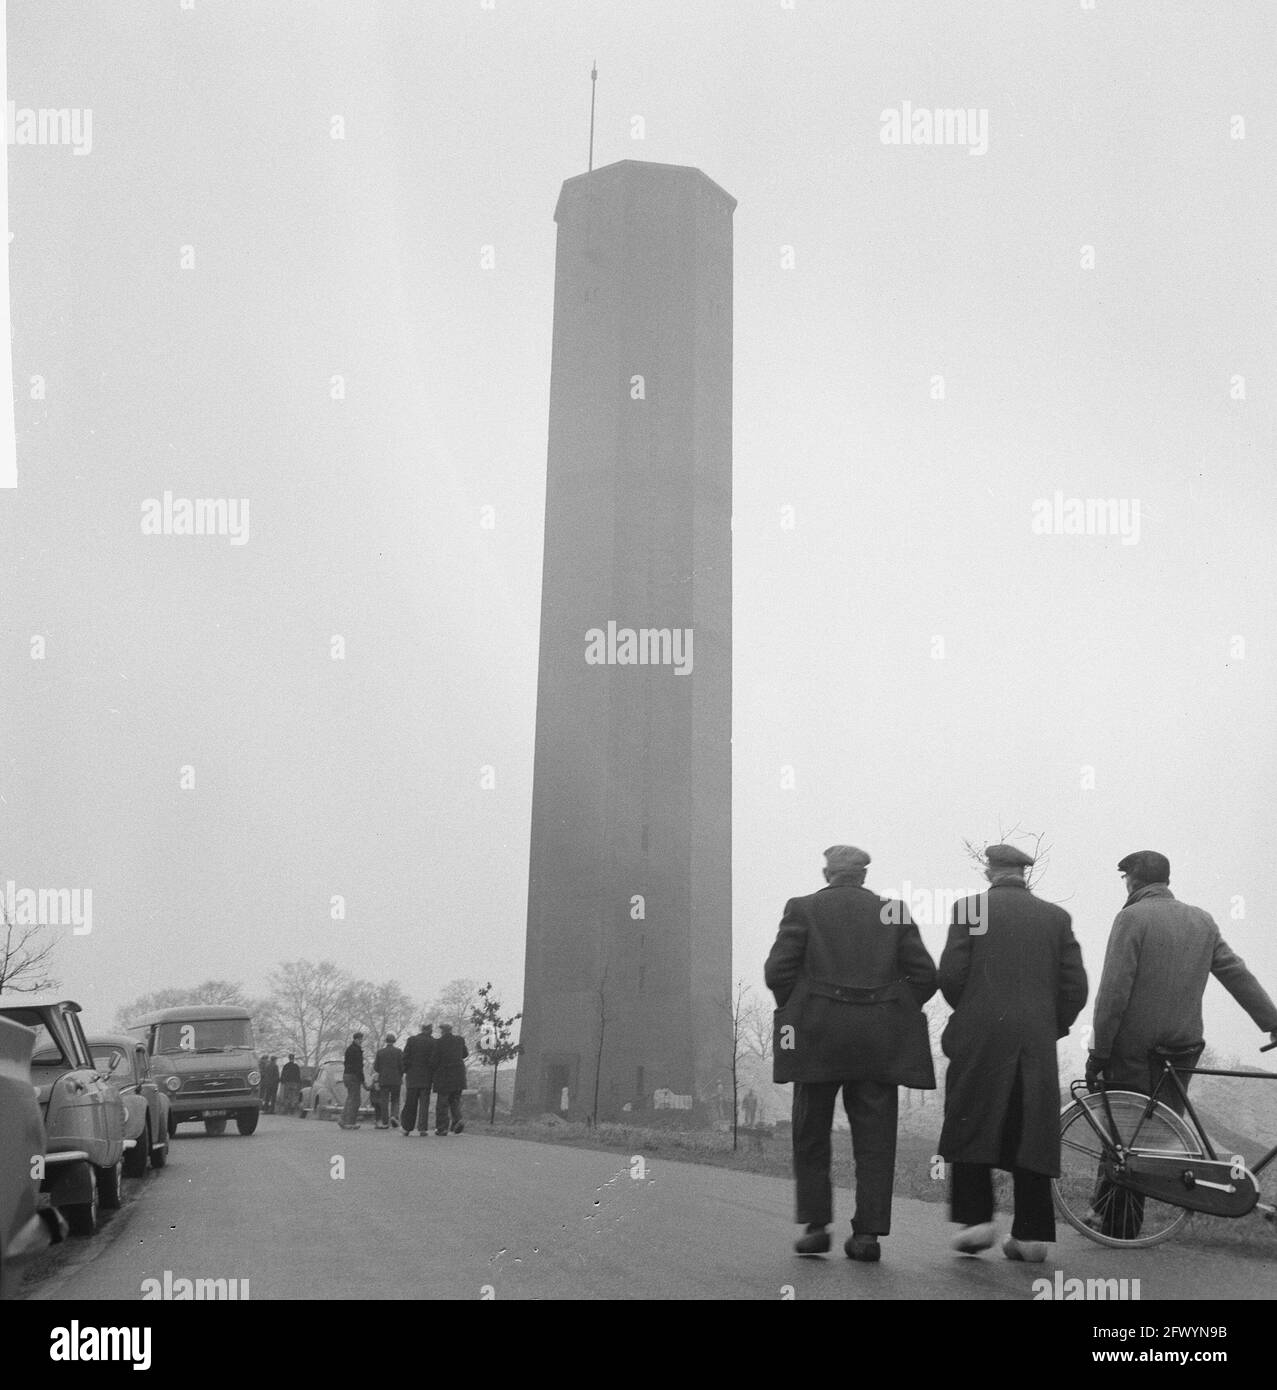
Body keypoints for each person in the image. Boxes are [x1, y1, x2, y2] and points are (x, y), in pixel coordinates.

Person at [1086, 850, 1277, 1236]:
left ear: (1134, 880)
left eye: (1125, 878)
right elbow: (1234, 972)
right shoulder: (1201, 920)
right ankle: (1105, 1213)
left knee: (1126, 1131)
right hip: (1183, 1048)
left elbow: (1113, 993)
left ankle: (1120, 1224)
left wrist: (1099, 1050)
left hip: (1135, 1047)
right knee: (1156, 1130)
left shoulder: (1131, 918)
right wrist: (1272, 1022)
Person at [764, 844, 938, 1262]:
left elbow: (777, 973)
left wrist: (805, 1004)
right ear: (862, 875)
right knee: (876, 1141)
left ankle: (816, 1226)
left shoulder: (802, 908)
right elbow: (926, 977)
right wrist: (889, 1009)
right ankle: (868, 1237)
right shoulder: (893, 910)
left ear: (828, 873)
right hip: (878, 1044)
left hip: (816, 1038)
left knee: (810, 1135)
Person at [938, 844, 1088, 1263]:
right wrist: (1049, 1024)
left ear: (990, 871)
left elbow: (950, 974)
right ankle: (1031, 1235)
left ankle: (976, 1222)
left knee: (973, 1117)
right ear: (1023, 873)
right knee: (1031, 1129)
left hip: (981, 1035)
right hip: (1035, 1039)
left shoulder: (970, 909)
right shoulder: (1056, 918)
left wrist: (971, 1011)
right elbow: (1075, 986)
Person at [400, 1022, 436, 1137]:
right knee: (424, 1104)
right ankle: (422, 1128)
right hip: (426, 1078)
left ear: (421, 1029)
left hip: (412, 1077)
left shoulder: (411, 1040)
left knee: (411, 1103)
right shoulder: (434, 1042)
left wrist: (407, 1071)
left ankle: (407, 1128)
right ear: (430, 1030)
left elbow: (405, 1058)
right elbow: (434, 1061)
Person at [432, 1023, 469, 1135]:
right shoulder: (459, 1040)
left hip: (444, 1076)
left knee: (442, 1103)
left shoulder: (438, 1043)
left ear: (442, 1031)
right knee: (455, 1101)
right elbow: (465, 1054)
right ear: (451, 1030)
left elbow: (434, 1060)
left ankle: (442, 1128)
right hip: (458, 1076)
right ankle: (458, 1120)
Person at [373, 1033, 404, 1130]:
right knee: (395, 1100)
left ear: (386, 1041)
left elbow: (376, 1067)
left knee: (384, 1101)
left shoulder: (380, 1052)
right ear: (394, 1041)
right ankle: (394, 1116)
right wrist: (400, 1074)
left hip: (384, 1080)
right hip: (396, 1080)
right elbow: (402, 1066)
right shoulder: (399, 1052)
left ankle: (385, 1122)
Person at [339, 1032, 366, 1130]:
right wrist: (363, 1080)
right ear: (355, 1039)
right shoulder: (356, 1050)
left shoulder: (349, 1049)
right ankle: (350, 1122)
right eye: (359, 1039)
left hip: (346, 1075)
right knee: (355, 1100)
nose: (361, 1041)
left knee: (350, 1098)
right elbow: (358, 1066)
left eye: (361, 1039)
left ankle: (343, 1119)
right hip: (353, 1076)